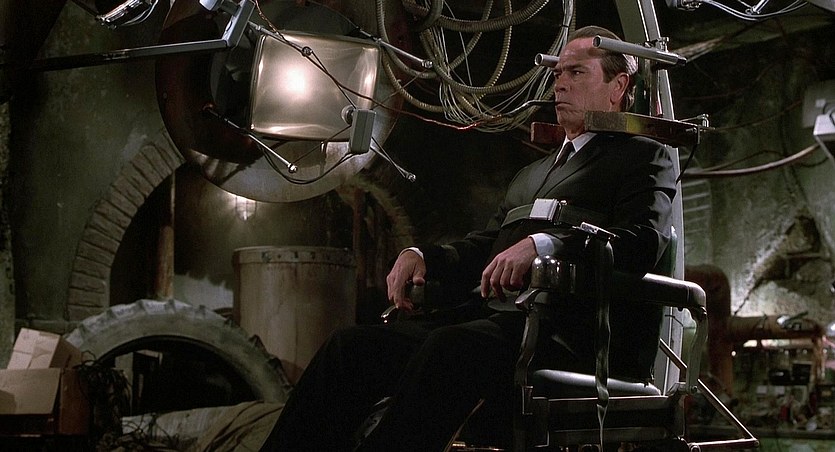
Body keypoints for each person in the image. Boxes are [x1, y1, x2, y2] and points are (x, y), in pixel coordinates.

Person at [261, 25, 678, 451]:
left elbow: (641, 242)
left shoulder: (643, 157)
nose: (560, 84)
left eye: (577, 73)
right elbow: (487, 245)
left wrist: (547, 245)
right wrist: (425, 256)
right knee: (350, 348)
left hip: (568, 335)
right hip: (497, 322)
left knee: (452, 347)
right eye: (558, 74)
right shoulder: (533, 174)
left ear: (618, 87)